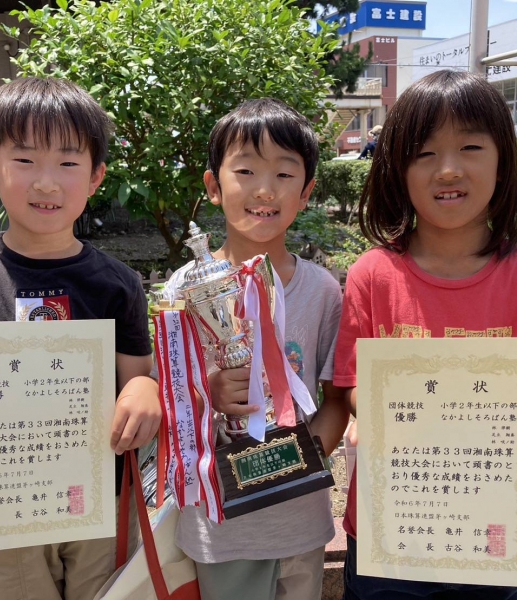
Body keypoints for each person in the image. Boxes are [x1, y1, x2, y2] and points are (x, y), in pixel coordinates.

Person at [0, 77, 161, 600]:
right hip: (1, 502)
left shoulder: (117, 284)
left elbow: (137, 380)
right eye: (24, 160)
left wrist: (145, 391)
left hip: (98, 498)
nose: (47, 183)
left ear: (95, 177)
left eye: (68, 163)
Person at [333, 69, 517, 600]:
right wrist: (373, 413)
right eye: (424, 153)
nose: (448, 169)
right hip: (391, 523)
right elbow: (350, 384)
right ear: (398, 170)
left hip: (492, 523)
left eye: (470, 147)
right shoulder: (372, 276)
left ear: (503, 161)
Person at [163, 97, 350, 600]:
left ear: (306, 192)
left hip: (300, 519)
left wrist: (292, 466)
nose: (265, 189)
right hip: (222, 526)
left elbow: (336, 399)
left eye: (284, 174)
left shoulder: (322, 291)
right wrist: (209, 392)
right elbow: (170, 401)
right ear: (213, 186)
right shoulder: (183, 289)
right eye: (245, 171)